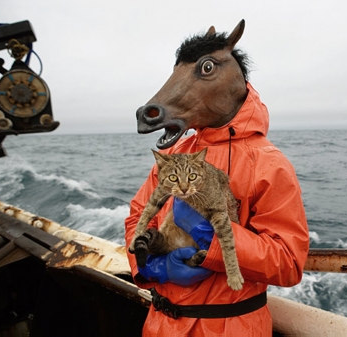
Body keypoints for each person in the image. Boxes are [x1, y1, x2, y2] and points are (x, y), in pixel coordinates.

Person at [124, 79, 310, 335]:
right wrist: (149, 266)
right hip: (160, 324)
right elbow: (137, 216)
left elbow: (288, 263)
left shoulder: (271, 165)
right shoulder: (173, 155)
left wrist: (212, 240)